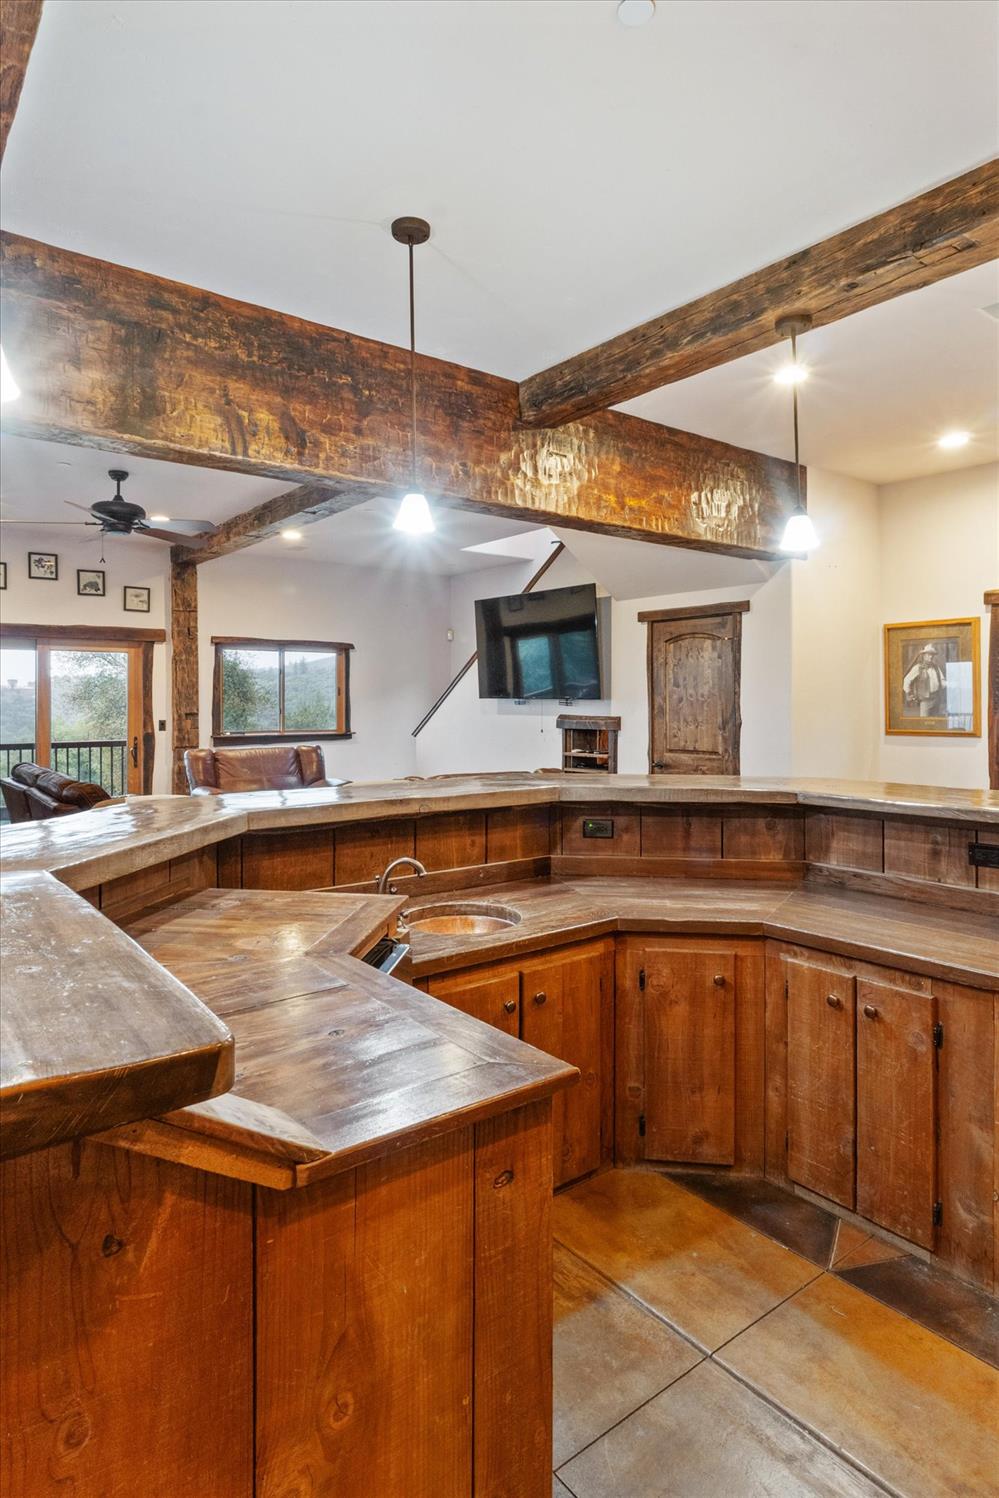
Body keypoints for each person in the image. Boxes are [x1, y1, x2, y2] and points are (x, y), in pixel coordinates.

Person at [902, 643, 946, 717]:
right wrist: (910, 693)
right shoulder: (918, 668)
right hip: (925, 701)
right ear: (924, 655)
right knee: (924, 722)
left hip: (936, 699)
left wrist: (951, 684)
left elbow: (942, 681)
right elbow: (907, 680)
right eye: (928, 654)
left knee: (935, 722)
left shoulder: (936, 667)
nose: (931, 656)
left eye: (932, 654)